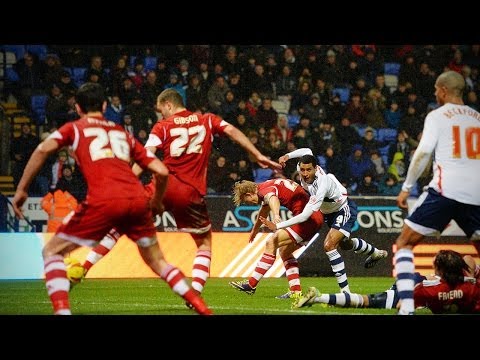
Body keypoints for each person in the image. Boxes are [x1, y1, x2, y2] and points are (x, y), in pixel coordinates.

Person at [11, 83, 212, 315]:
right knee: (158, 262)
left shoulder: (74, 128)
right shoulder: (120, 132)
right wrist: (156, 200)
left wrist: (22, 189)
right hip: (137, 199)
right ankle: (203, 309)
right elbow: (161, 169)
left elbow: (42, 150)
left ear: (78, 108)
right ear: (105, 106)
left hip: (104, 199)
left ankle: (62, 310)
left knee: (51, 252)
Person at [82, 88, 281, 305]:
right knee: (204, 244)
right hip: (191, 193)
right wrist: (257, 154)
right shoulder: (207, 120)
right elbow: (232, 131)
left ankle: (82, 268)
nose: (161, 115)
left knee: (121, 224)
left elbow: (146, 157)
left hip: (162, 186)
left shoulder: (163, 127)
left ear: (168, 104)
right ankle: (194, 291)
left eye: (161, 110)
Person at [393, 71, 480, 315]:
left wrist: (406, 187)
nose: (434, 93)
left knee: (404, 243)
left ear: (443, 90)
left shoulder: (438, 116)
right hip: (476, 194)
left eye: (435, 89)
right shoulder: (477, 118)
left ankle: (407, 309)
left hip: (446, 190)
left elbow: (422, 153)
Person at [260, 148, 388, 293]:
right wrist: (287, 155)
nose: (305, 173)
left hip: (343, 208)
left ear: (316, 168)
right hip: (328, 212)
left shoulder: (322, 183)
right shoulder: (303, 168)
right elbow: (307, 150)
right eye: (302, 170)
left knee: (329, 245)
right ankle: (376, 252)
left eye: (309, 170)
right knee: (345, 244)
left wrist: (278, 225)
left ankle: (345, 293)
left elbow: (305, 216)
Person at [294, 250, 480, 314]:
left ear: (440, 270)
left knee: (368, 301)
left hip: (414, 283)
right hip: (417, 283)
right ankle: (319, 298)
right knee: (369, 301)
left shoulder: (426, 290)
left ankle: (319, 298)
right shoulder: (471, 286)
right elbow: (469, 260)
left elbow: (402, 305)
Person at [228, 179, 324, 300]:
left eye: (249, 200)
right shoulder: (266, 185)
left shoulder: (264, 191)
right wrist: (255, 230)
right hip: (314, 217)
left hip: (307, 219)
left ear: (249, 194)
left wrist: (276, 215)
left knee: (271, 242)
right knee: (285, 251)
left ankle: (251, 284)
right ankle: (296, 292)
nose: (252, 203)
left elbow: (273, 198)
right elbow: (263, 211)